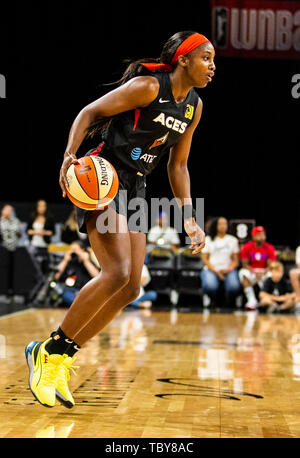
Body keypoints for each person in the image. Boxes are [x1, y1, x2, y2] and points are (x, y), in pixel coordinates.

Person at [25, 30, 212, 408]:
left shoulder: (194, 106)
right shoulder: (147, 87)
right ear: (184, 59)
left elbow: (178, 165)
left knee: (130, 287)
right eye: (206, 58)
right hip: (102, 178)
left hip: (137, 187)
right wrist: (67, 154)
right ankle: (48, 351)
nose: (212, 67)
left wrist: (189, 217)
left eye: (213, 61)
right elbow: (89, 112)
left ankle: (57, 355)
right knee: (116, 271)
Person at [201, 216, 241, 306]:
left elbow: (235, 260)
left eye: (225, 224)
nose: (223, 226)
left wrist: (229, 269)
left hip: (228, 270)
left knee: (234, 287)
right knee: (210, 286)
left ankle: (227, 302)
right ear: (215, 226)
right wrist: (215, 271)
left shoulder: (232, 240)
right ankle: (214, 301)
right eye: (220, 224)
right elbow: (205, 259)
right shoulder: (208, 239)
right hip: (211, 269)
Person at [239, 226, 276, 310]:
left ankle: (268, 299)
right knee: (243, 273)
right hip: (252, 270)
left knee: (272, 274)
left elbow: (271, 265)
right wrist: (254, 271)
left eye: (263, 235)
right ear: (253, 236)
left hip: (264, 271)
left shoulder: (269, 247)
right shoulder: (247, 247)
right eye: (259, 235)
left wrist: (263, 272)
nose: (261, 237)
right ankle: (252, 300)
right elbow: (245, 264)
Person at [54, 241, 100, 307]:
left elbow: (96, 276)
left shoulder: (88, 261)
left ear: (82, 250)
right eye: (71, 249)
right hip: (70, 291)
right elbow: (56, 276)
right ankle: (81, 307)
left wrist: (85, 261)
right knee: (67, 295)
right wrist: (65, 260)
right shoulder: (69, 262)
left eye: (75, 249)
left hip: (86, 291)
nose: (73, 252)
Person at [27, 200, 55, 275]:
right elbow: (28, 230)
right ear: (37, 207)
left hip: (45, 245)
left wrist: (44, 232)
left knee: (46, 265)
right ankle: (38, 280)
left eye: (43, 206)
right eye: (40, 206)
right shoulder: (32, 217)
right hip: (34, 244)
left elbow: (53, 232)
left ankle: (44, 281)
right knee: (35, 265)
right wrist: (36, 232)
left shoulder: (50, 218)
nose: (42, 208)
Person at [0, 204, 21, 299]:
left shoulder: (16, 221)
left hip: (14, 249)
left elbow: (19, 233)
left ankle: (11, 291)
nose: (9, 212)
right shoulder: (0, 221)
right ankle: (3, 292)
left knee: (12, 271)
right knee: (3, 271)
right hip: (2, 249)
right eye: (7, 210)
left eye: (11, 210)